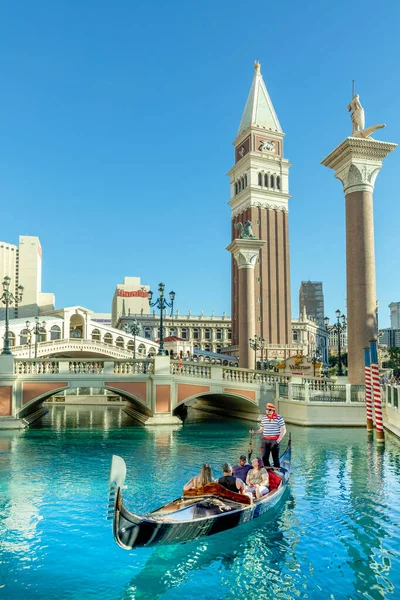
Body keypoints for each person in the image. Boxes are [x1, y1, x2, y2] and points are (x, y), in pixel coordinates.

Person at [250, 403, 286, 468]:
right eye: (267, 409)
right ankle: (267, 471)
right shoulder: (264, 418)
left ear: (273, 411)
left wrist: (278, 440)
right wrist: (254, 432)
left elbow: (283, 429)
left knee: (275, 458)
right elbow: (261, 429)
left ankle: (277, 472)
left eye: (270, 410)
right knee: (264, 457)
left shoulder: (279, 418)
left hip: (275, 440)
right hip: (265, 440)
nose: (268, 411)